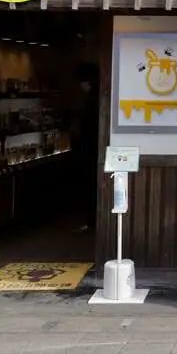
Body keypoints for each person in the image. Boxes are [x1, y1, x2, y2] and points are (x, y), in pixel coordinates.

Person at [72, 63, 100, 231]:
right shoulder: (99, 96)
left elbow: (86, 127)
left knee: (90, 186)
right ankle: (92, 221)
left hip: (90, 149)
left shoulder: (92, 99)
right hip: (95, 148)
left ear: (85, 82)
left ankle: (91, 222)